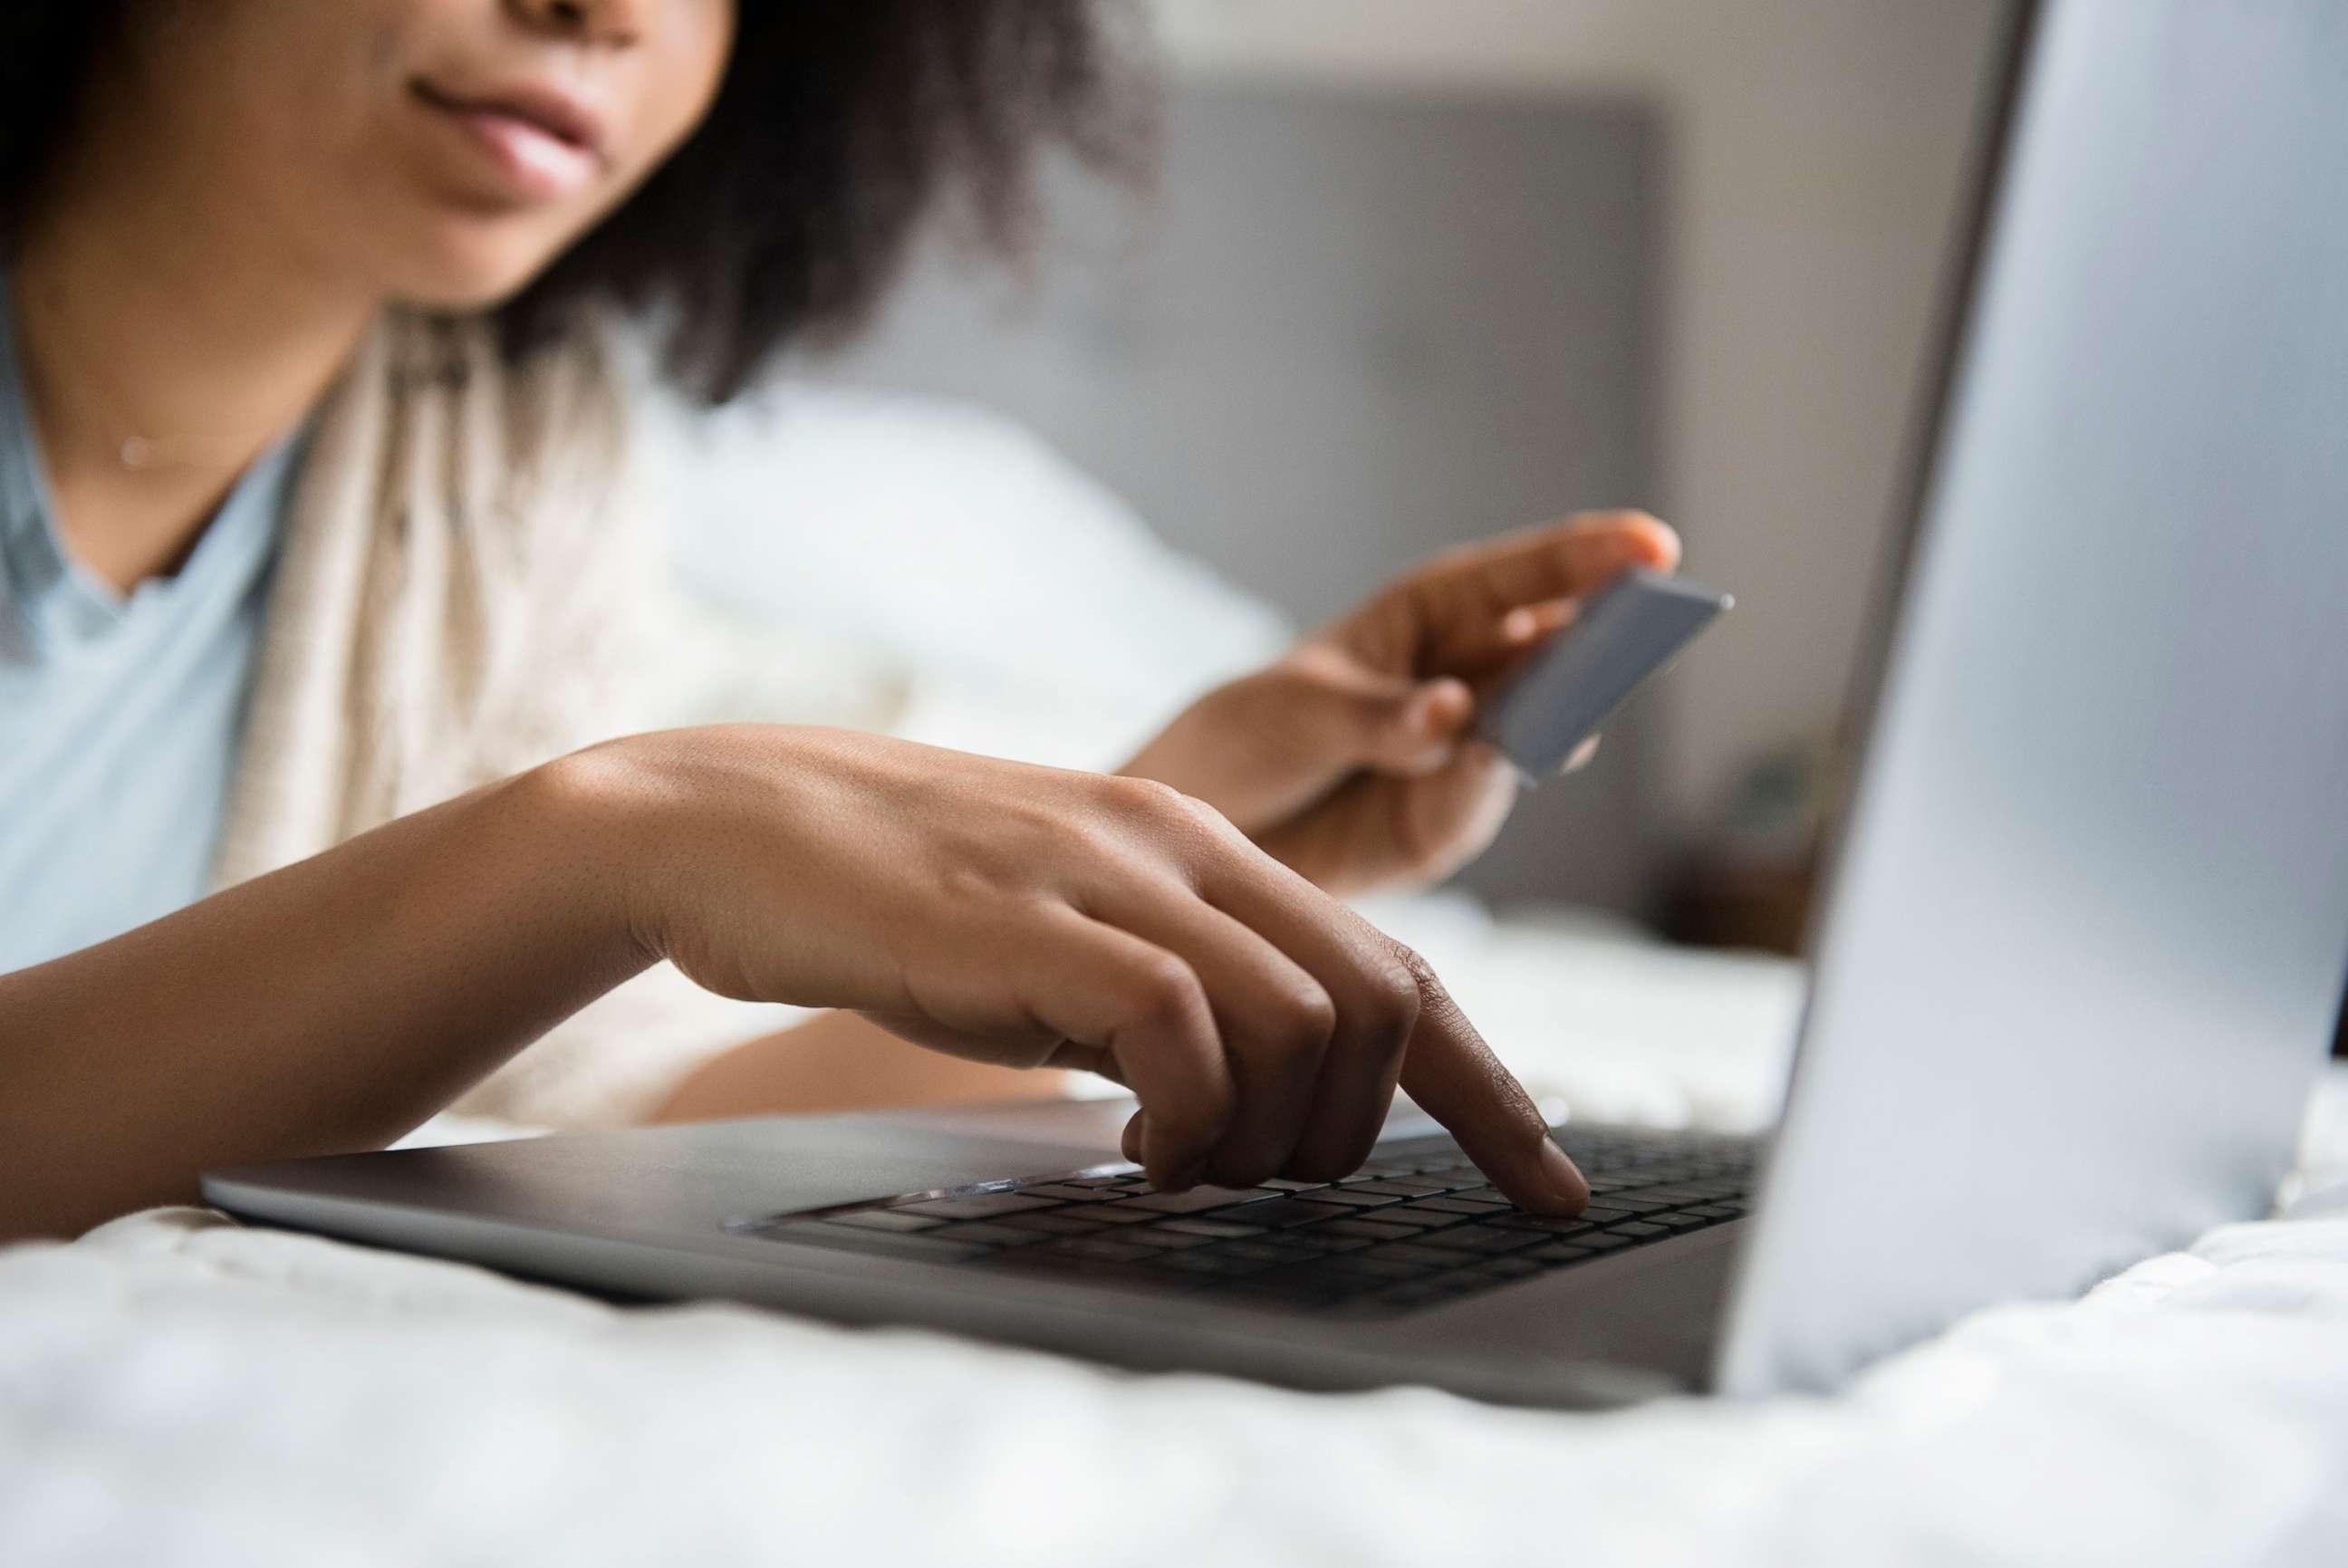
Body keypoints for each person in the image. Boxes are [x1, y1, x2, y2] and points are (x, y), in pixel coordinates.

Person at [0, 0, 1681, 1240]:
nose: (605, 19)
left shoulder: (514, 447)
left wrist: (1198, 837)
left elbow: (566, 1104)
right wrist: (617, 837)